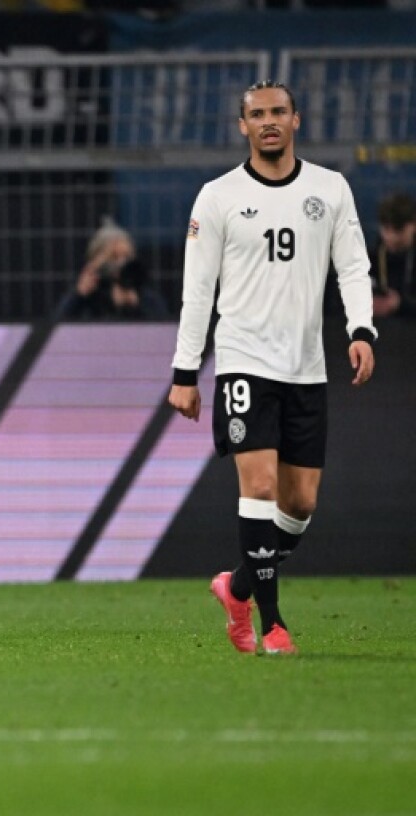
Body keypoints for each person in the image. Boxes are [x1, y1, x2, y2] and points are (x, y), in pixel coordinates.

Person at [168, 80, 375, 656]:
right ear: (242, 125)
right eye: (257, 114)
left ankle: (236, 587)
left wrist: (361, 330)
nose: (268, 122)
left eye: (278, 112)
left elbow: (353, 268)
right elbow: (197, 290)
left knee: (300, 503)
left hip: (306, 368)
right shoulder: (218, 196)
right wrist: (186, 371)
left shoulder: (329, 189)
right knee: (257, 487)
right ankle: (273, 622)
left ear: (296, 119)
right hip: (243, 363)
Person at [55, 216, 168, 321]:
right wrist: (78, 295)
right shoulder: (87, 297)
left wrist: (135, 306)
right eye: (113, 257)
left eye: (127, 257)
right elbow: (55, 329)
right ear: (95, 261)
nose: (121, 263)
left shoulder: (143, 295)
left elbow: (163, 329)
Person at [371, 192, 416, 319]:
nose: (391, 236)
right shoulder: (371, 259)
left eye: (398, 229)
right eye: (386, 228)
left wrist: (400, 305)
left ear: (413, 225)